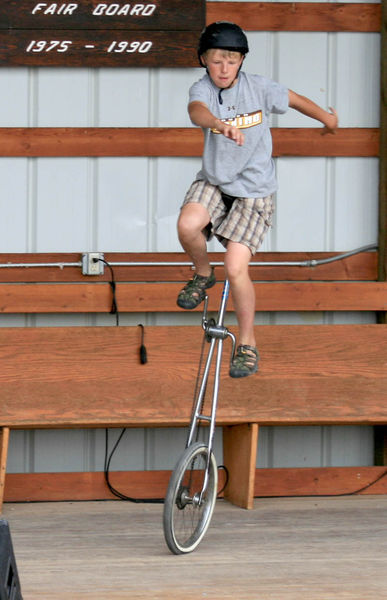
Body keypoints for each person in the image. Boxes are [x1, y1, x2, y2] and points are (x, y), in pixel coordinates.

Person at [176, 21, 338, 378]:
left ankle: (247, 343)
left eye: (231, 61)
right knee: (187, 225)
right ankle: (203, 274)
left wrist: (326, 118)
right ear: (204, 59)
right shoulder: (201, 88)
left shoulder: (260, 88)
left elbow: (295, 100)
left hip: (254, 191)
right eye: (217, 60)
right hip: (216, 182)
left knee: (236, 268)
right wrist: (219, 124)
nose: (223, 68)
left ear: (241, 62)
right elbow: (196, 112)